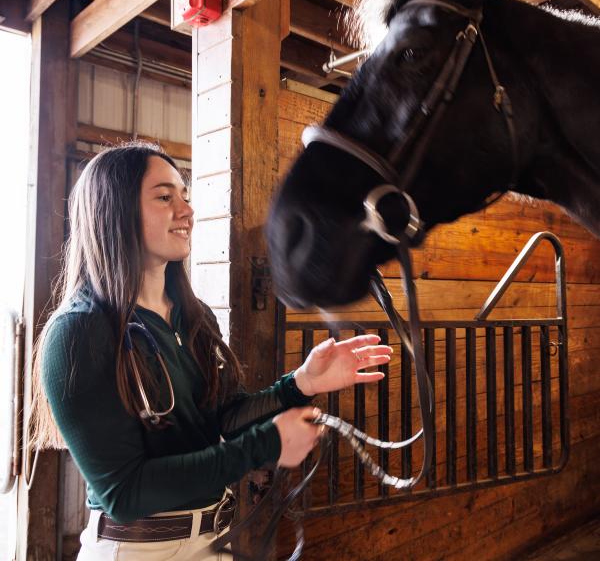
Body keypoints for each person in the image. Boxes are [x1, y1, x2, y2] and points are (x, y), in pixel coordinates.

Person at [31, 143, 392, 561]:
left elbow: (225, 418)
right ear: (113, 211)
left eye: (185, 196)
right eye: (165, 197)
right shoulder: (78, 333)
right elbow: (124, 492)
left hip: (212, 541)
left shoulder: (195, 315)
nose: (186, 211)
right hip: (137, 549)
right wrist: (265, 445)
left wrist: (301, 384)